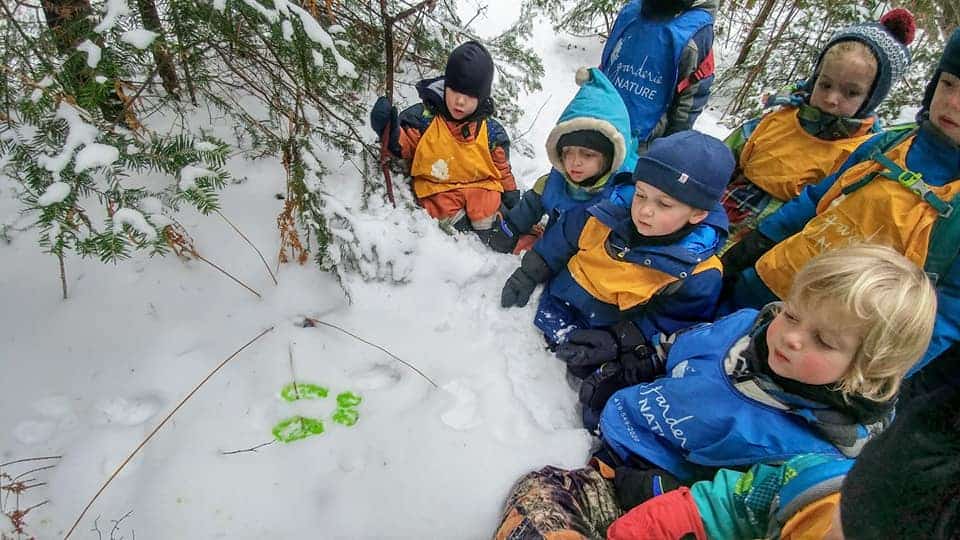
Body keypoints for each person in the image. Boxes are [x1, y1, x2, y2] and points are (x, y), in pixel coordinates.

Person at [493, 245, 937, 540]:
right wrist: (632, 351)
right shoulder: (749, 326)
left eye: (824, 341)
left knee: (541, 498)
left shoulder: (820, 450)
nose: (791, 337)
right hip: (619, 434)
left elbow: (745, 504)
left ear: (867, 370)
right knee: (538, 494)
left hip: (649, 495)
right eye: (793, 313)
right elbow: (687, 344)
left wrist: (661, 488)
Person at [720, 27, 960, 375]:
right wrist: (756, 245)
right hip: (764, 285)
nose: (952, 102)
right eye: (949, 83)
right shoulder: (886, 146)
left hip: (819, 346)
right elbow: (815, 201)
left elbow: (947, 311)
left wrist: (882, 372)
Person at [605, 342, 960, 540]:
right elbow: (728, 506)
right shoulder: (813, 482)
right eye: (842, 516)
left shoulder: (813, 444)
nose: (828, 532)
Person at [500, 131, 733, 382]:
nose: (644, 210)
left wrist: (618, 339)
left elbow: (673, 320)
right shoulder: (605, 212)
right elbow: (562, 239)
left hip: (601, 333)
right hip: (557, 298)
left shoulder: (699, 272)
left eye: (664, 204)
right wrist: (529, 272)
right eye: (641, 194)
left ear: (697, 214)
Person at [721, 9, 914, 249]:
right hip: (722, 211)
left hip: (776, 238)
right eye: (825, 85)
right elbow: (723, 156)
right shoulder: (780, 116)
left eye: (850, 92)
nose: (832, 98)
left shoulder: (864, 151)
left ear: (872, 97)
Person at [369, 41, 518, 241]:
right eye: (455, 91)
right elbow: (403, 146)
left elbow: (502, 168)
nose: (460, 101)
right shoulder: (424, 119)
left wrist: (511, 197)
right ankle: (461, 244)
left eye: (470, 96)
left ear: (481, 98)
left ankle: (501, 240)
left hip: (480, 188)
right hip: (438, 188)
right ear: (446, 86)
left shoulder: (490, 131)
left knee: (493, 225)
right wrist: (388, 128)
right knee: (455, 230)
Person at [487, 67, 634, 254]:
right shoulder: (554, 182)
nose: (575, 162)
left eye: (587, 154)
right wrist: (508, 231)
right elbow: (528, 209)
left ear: (610, 156)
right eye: (567, 152)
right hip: (552, 248)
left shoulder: (621, 198)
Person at [600, 0, 717, 153]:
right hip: (598, 120)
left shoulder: (698, 33)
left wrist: (667, 150)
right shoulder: (631, 12)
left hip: (641, 145)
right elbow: (606, 63)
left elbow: (690, 101)